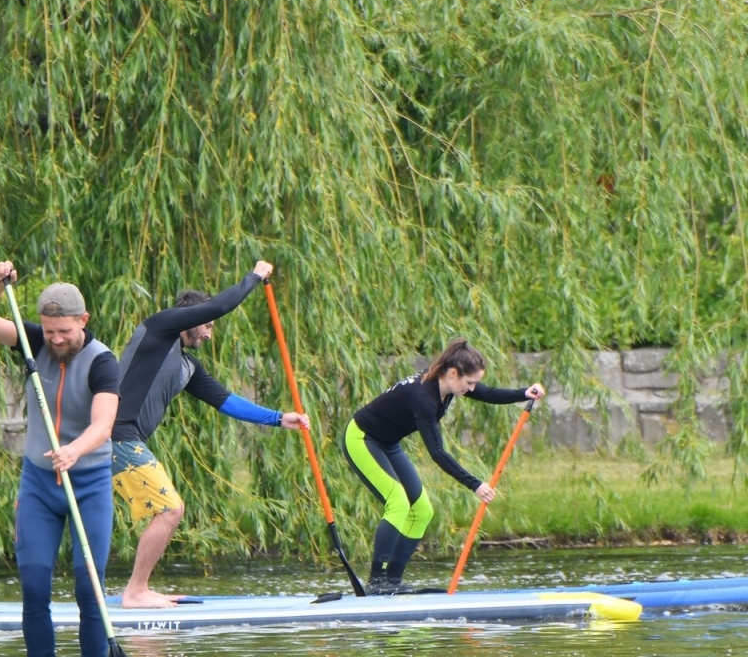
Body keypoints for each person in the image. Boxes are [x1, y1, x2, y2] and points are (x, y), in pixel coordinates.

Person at [0, 261, 120, 657]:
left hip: (88, 484)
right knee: (34, 587)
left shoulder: (103, 363)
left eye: (64, 331)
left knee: (89, 590)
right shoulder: (34, 343)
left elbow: (104, 424)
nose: (55, 340)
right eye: (49, 331)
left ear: (83, 321)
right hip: (38, 485)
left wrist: (74, 451)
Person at [111, 260, 309, 608]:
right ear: (191, 318)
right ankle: (136, 592)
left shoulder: (188, 366)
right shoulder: (160, 327)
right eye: (207, 325)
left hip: (124, 440)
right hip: (116, 433)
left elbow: (226, 401)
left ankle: (114, 592)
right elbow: (219, 305)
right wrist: (255, 276)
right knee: (170, 509)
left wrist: (279, 418)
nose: (209, 334)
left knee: (95, 510)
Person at [343, 338, 545, 594]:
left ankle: (392, 582)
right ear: (452, 373)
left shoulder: (448, 384)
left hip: (388, 443)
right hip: (361, 439)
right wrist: (475, 485)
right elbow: (437, 453)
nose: (472, 388)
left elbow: (486, 392)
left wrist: (523, 393)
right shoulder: (424, 398)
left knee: (422, 511)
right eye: (469, 382)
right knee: (398, 504)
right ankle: (376, 582)